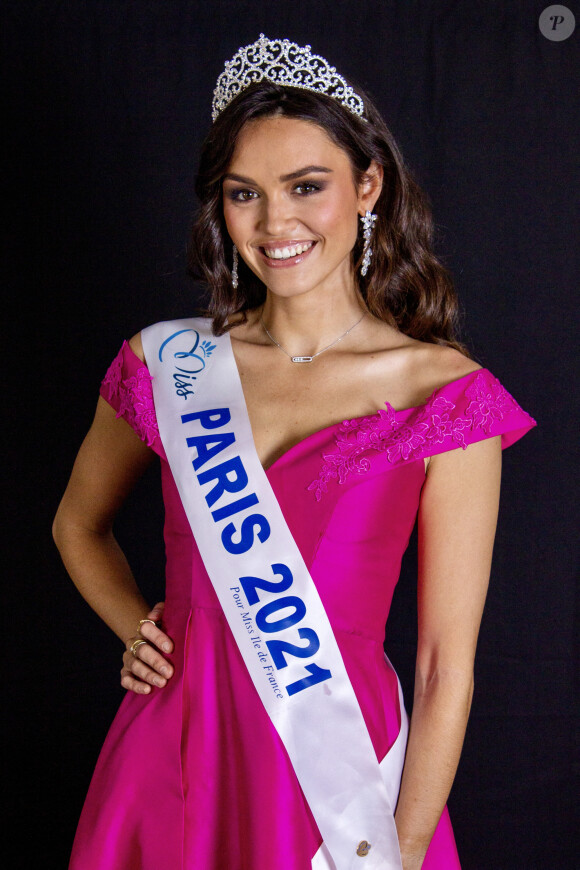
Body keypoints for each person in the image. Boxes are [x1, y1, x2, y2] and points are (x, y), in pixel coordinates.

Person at [53, 35, 536, 870]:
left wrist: (407, 846)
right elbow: (76, 525)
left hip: (333, 778)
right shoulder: (164, 361)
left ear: (367, 186)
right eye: (245, 194)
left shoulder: (443, 392)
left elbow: (440, 667)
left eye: (305, 187)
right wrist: (138, 631)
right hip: (171, 753)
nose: (276, 224)